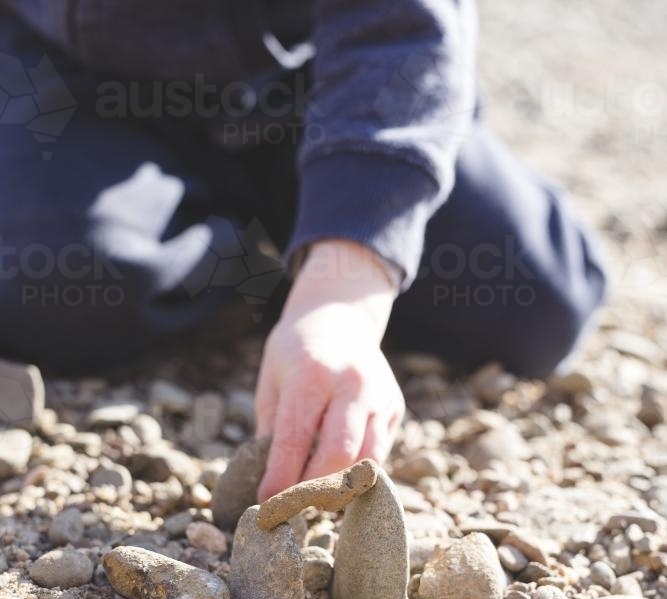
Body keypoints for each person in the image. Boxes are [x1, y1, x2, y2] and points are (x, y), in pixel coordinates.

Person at [0, 1, 606, 501]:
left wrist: (344, 296)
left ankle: (328, 211)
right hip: (64, 79)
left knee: (533, 306)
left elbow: (399, 24)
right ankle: (248, 255)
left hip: (317, 74)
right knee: (58, 278)